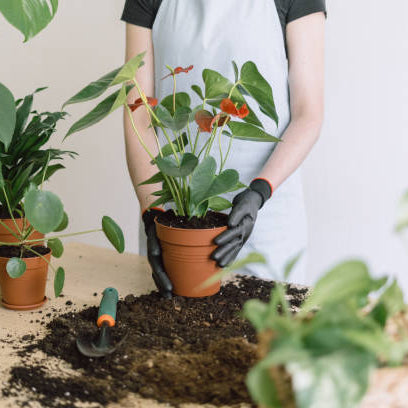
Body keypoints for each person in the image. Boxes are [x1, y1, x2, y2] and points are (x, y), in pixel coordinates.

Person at [121, 0, 326, 298]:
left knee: (265, 337)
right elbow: (138, 112)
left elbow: (308, 113)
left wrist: (259, 193)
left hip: (267, 225)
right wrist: (152, 214)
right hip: (174, 219)